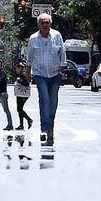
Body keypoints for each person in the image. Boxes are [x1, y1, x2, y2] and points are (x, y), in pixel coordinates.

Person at [27, 13, 66, 146]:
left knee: (53, 102)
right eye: (42, 23)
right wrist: (28, 73)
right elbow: (29, 58)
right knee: (44, 99)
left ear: (50, 24)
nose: (45, 25)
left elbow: (62, 53)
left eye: (47, 23)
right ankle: (44, 130)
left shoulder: (57, 36)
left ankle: (51, 128)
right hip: (40, 74)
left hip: (55, 74)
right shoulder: (33, 39)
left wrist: (62, 68)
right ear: (38, 25)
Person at [13, 61, 34, 130]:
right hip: (19, 94)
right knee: (19, 109)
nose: (16, 69)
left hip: (24, 94)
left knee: (19, 109)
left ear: (20, 68)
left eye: (17, 68)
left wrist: (20, 81)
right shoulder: (19, 75)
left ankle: (29, 120)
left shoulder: (24, 75)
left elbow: (27, 84)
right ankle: (21, 125)